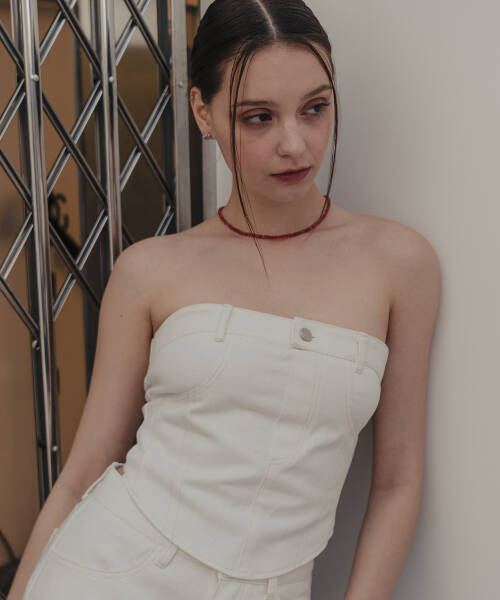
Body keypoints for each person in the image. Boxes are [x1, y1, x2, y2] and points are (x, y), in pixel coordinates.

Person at [9, 1, 441, 599]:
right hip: (110, 572)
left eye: (315, 108)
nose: (295, 144)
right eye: (258, 117)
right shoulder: (149, 270)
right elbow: (81, 474)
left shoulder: (399, 263)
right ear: (202, 112)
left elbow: (397, 482)